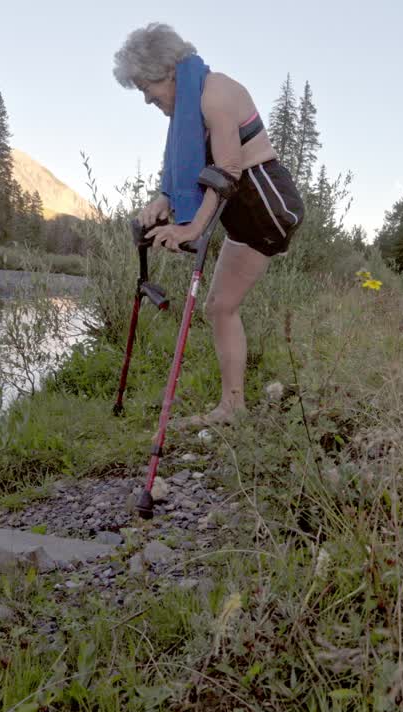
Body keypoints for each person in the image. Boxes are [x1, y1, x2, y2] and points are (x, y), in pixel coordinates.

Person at [113, 23, 304, 427]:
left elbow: (227, 171)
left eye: (147, 86)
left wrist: (191, 229)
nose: (147, 98)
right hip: (242, 207)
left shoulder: (215, 93)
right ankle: (232, 407)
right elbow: (194, 171)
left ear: (167, 70)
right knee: (220, 307)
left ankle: (233, 407)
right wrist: (163, 201)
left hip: (264, 203)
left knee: (221, 305)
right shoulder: (188, 105)